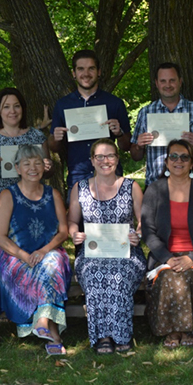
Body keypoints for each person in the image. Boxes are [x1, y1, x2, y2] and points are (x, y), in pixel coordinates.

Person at [141, 139, 193, 348]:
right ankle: (180, 330)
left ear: (192, 162)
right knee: (170, 275)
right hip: (164, 255)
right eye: (173, 157)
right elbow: (148, 232)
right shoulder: (154, 190)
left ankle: (181, 331)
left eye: (184, 157)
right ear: (166, 162)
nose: (179, 161)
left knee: (186, 276)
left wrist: (191, 258)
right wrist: (168, 258)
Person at [69, 139, 146, 354]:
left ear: (117, 159)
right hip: (92, 253)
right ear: (92, 160)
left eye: (110, 155)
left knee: (118, 275)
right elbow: (72, 221)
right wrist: (74, 233)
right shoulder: (80, 188)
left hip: (126, 252)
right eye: (99, 157)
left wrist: (138, 235)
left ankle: (121, 335)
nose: (105, 161)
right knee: (94, 274)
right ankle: (102, 335)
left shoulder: (132, 187)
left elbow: (143, 222)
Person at [0, 145, 71, 355]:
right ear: (17, 168)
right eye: (26, 163)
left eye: (37, 162)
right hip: (14, 253)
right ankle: (53, 332)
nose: (32, 168)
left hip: (48, 250)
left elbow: (63, 233)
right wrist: (24, 256)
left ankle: (43, 321)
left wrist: (44, 251)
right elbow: (0, 237)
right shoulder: (8, 195)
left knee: (52, 264)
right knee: (40, 268)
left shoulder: (52, 194)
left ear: (44, 167)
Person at [49, 50, 131, 191]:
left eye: (91, 68)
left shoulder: (114, 103)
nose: (86, 73)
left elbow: (126, 145)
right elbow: (54, 147)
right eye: (81, 69)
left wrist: (119, 133)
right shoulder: (63, 105)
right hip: (77, 177)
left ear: (98, 72)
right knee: (77, 214)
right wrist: (56, 138)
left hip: (110, 174)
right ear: (74, 73)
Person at [130, 62, 193, 186]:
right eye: (163, 81)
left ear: (180, 81)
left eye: (172, 80)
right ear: (157, 83)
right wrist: (139, 146)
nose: (168, 85)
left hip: (189, 186)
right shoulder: (145, 112)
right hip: (155, 186)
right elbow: (135, 156)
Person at [0, 87, 51, 194]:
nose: (12, 111)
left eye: (17, 106)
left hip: (34, 200)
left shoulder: (37, 136)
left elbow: (48, 174)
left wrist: (48, 166)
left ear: (23, 108)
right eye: (6, 107)